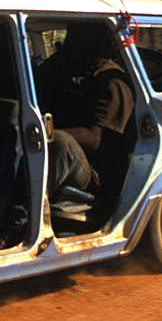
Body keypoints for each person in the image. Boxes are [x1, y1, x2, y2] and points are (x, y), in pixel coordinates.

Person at [35, 21, 134, 204]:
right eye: (71, 34)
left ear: (97, 40)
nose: (71, 41)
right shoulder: (65, 67)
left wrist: (42, 134)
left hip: (93, 171)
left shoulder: (112, 82)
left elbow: (95, 138)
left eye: (80, 36)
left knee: (61, 143)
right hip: (51, 149)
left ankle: (27, 211)